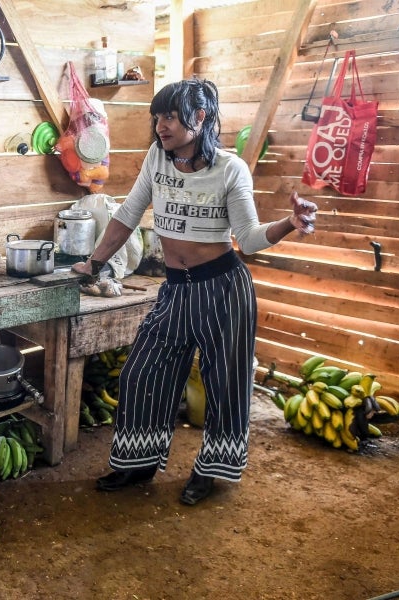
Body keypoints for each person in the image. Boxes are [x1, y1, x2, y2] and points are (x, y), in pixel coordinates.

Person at [72, 79, 317, 505]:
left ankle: (211, 471)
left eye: (169, 116)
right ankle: (137, 463)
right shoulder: (157, 159)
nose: (160, 125)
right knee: (142, 373)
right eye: (158, 117)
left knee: (225, 383)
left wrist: (290, 224)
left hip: (223, 288)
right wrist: (94, 263)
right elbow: (128, 214)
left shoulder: (230, 168)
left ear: (199, 118)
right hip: (176, 290)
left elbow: (250, 238)